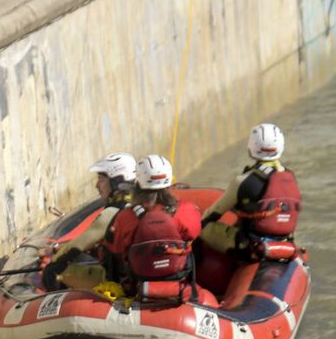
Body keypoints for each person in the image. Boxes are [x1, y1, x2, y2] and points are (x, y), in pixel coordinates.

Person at [200, 122, 301, 256]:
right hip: (285, 242)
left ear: (252, 146)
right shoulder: (290, 177)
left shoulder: (243, 181)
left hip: (251, 247)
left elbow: (211, 215)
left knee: (202, 228)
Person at [107, 154, 203, 296]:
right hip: (178, 277)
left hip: (138, 280)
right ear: (170, 182)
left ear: (137, 184)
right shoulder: (186, 210)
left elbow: (117, 248)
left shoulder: (125, 216)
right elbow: (194, 235)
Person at [43, 152, 137, 291]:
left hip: (118, 282)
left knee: (53, 271)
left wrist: (52, 258)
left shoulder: (112, 213)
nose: (97, 185)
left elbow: (76, 246)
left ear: (116, 181)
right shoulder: (137, 206)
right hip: (134, 278)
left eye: (101, 179)